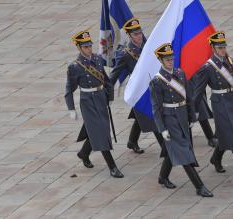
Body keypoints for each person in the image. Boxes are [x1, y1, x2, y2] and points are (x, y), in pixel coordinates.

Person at [192, 31, 233, 184]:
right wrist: (194, 112)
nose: (223, 49)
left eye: (224, 46)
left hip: (232, 101)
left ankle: (216, 158)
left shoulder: (230, 61)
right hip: (220, 104)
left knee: (226, 135)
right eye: (219, 47)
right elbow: (198, 92)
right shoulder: (207, 68)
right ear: (213, 48)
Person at [149, 43, 213, 197]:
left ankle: (163, 177)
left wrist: (192, 116)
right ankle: (199, 186)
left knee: (176, 148)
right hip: (170, 119)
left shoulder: (180, 73)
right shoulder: (157, 81)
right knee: (184, 151)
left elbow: (189, 97)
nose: (170, 61)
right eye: (167, 59)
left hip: (183, 116)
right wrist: (162, 129)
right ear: (161, 60)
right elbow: (156, 108)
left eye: (172, 58)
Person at [65, 30, 123, 178]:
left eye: (90, 46)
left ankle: (83, 153)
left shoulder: (97, 59)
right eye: (85, 47)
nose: (89, 49)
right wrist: (71, 108)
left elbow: (105, 79)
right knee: (102, 132)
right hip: (87, 102)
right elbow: (69, 89)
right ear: (79, 48)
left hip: (100, 98)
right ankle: (112, 167)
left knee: (98, 129)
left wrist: (109, 95)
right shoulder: (75, 67)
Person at [109, 18, 153, 154]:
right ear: (129, 35)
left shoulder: (146, 47)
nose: (139, 36)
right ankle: (166, 148)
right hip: (138, 90)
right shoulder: (125, 54)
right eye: (135, 34)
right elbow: (115, 73)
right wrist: (106, 90)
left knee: (142, 115)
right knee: (150, 116)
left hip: (150, 88)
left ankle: (132, 141)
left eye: (140, 33)